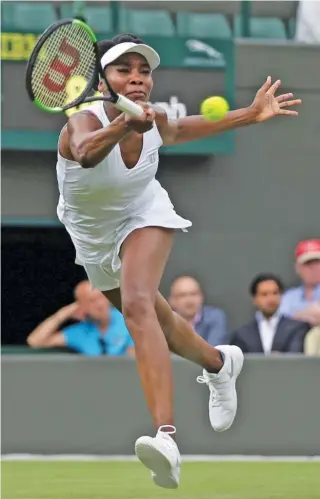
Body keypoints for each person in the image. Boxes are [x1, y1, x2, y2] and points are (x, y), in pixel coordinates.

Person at [56, 32, 301, 488]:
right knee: (162, 325)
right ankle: (218, 364)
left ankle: (165, 437)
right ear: (103, 81)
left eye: (144, 71)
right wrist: (124, 126)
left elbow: (183, 128)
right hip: (91, 236)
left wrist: (250, 114)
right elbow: (88, 155)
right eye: (123, 70)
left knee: (137, 305)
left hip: (144, 213)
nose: (136, 79)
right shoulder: (79, 125)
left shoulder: (155, 120)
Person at [27, 280, 134, 356]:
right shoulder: (81, 331)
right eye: (92, 301)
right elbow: (35, 341)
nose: (99, 305)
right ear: (82, 308)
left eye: (101, 297)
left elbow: (134, 364)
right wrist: (63, 314)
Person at [230, 274, 309, 354]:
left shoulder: (297, 328)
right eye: (264, 294)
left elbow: (295, 357)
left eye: (275, 293)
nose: (271, 299)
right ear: (254, 299)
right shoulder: (242, 334)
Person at [169, 275, 228, 346]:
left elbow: (213, 351)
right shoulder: (164, 322)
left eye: (194, 294)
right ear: (171, 301)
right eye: (182, 295)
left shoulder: (215, 317)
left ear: (201, 297)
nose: (189, 300)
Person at [280, 239, 320, 326]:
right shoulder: (289, 297)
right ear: (298, 268)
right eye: (308, 263)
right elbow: (278, 325)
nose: (314, 268)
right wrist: (306, 314)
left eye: (317, 262)